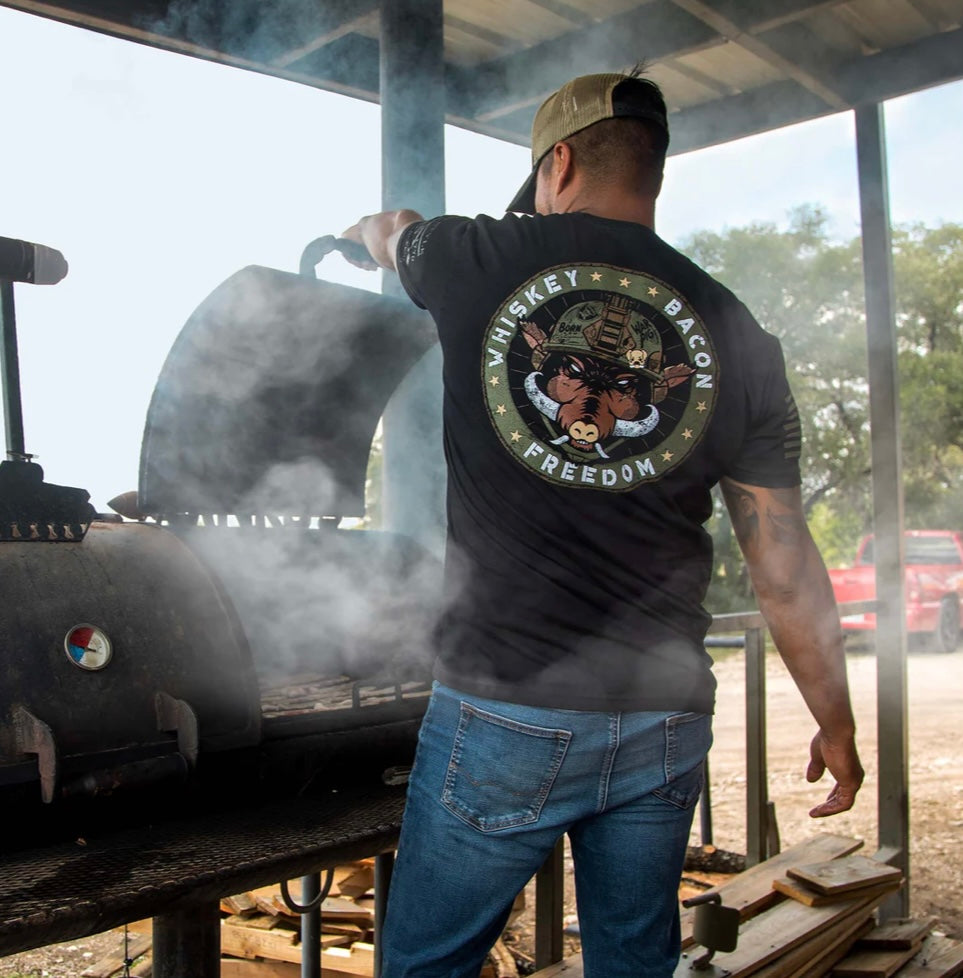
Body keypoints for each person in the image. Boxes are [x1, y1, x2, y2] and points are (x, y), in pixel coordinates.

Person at [342, 68, 864, 978]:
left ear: (560, 162)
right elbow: (780, 562)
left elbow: (394, 233)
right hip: (662, 717)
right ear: (653, 173)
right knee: (632, 963)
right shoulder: (736, 330)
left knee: (425, 966)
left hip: (506, 705)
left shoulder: (473, 258)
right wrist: (836, 723)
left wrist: (366, 233)